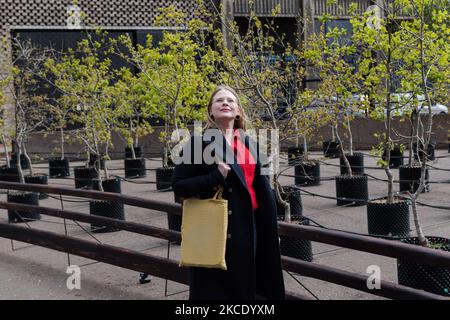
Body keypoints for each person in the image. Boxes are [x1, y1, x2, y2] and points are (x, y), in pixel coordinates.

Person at [172, 85, 285, 300]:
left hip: (252, 224)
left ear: (238, 111)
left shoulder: (250, 142)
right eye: (219, 100)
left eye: (231, 101)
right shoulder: (198, 143)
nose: (225, 103)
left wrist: (270, 227)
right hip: (219, 229)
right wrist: (215, 177)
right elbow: (179, 186)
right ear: (211, 111)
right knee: (222, 291)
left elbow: (261, 187)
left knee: (253, 287)